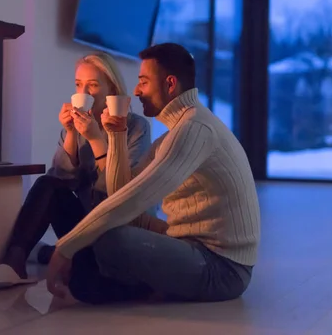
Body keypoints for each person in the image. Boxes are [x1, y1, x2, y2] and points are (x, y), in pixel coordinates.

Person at [46, 43, 261, 304]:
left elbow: (132, 200)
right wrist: (116, 134)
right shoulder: (178, 130)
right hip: (189, 245)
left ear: (170, 84)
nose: (136, 91)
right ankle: (101, 278)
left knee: (111, 240)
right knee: (105, 231)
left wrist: (64, 248)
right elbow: (121, 190)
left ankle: (122, 282)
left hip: (223, 269)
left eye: (144, 82)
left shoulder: (194, 129)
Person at [0, 52, 151, 289]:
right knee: (46, 183)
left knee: (85, 281)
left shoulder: (136, 127)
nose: (83, 94)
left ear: (111, 89)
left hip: (117, 227)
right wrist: (71, 134)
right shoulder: (79, 126)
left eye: (92, 85)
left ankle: (52, 254)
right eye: (78, 85)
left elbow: (117, 194)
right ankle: (14, 262)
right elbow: (58, 181)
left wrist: (95, 139)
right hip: (82, 224)